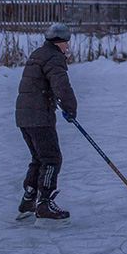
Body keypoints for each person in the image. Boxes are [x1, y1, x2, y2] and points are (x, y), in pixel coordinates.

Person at [15, 22, 79, 227]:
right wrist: (70, 107)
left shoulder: (39, 53)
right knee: (51, 159)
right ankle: (44, 204)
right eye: (66, 42)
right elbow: (61, 85)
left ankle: (29, 199)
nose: (67, 46)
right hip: (39, 117)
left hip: (24, 116)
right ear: (60, 42)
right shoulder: (54, 57)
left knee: (38, 158)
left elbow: (42, 84)